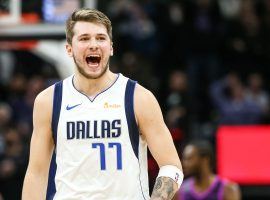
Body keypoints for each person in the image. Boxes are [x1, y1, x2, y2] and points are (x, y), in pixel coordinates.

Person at [22, 8, 183, 200]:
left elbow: (172, 166)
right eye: (84, 39)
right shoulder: (49, 100)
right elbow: (36, 173)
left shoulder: (138, 97)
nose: (93, 45)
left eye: (100, 38)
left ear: (111, 47)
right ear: (69, 49)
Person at [176, 140, 241, 200]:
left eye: (189, 159)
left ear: (205, 160)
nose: (184, 164)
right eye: (185, 159)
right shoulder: (181, 191)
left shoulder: (228, 189)